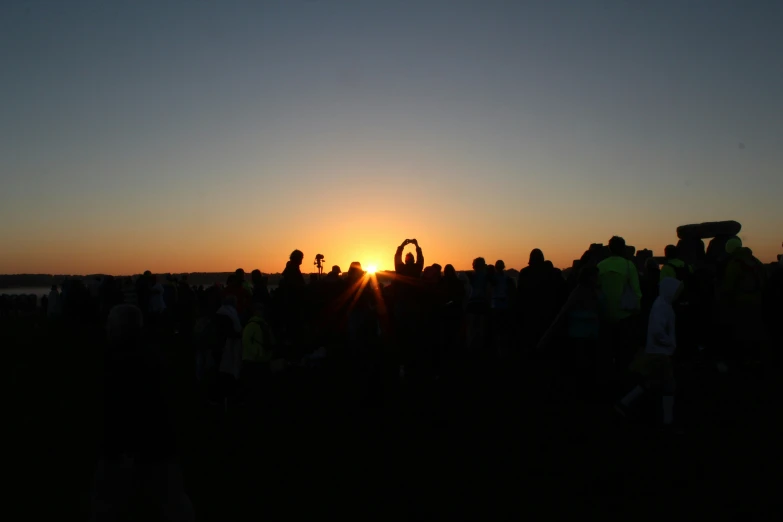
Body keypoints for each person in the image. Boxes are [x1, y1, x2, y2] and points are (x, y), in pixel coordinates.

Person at [90, 304, 194, 521]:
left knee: (109, 503)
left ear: (120, 329)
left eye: (110, 324)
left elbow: (123, 408)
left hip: (133, 448)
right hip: (160, 445)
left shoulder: (119, 363)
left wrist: (123, 448)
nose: (106, 328)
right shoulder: (154, 356)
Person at [616, 277, 682, 431]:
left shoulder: (661, 304)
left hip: (655, 351)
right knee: (668, 384)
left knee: (653, 381)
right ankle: (668, 420)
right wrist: (670, 343)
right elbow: (658, 331)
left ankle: (624, 403)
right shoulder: (663, 307)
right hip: (660, 351)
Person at [718, 237, 767, 368]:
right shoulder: (755, 261)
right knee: (756, 330)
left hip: (741, 301)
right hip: (757, 300)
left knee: (742, 331)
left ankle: (744, 360)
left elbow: (729, 285)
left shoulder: (735, 263)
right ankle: (757, 358)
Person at [597, 236, 642, 373]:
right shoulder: (629, 265)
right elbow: (636, 291)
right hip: (625, 315)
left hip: (604, 314)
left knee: (606, 353)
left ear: (609, 248)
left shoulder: (600, 266)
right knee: (624, 353)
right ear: (623, 248)